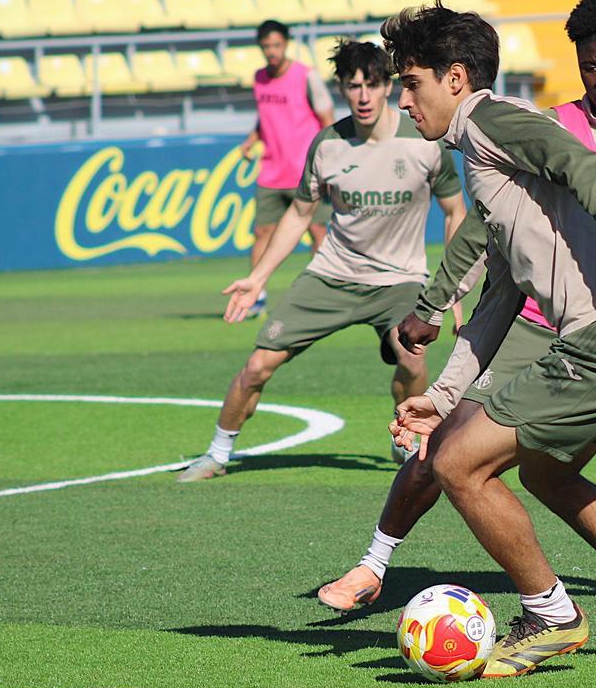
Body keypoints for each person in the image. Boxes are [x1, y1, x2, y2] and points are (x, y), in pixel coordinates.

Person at [319, 0, 596, 616]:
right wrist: (439, 395)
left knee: (459, 463)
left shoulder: (497, 121)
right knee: (541, 473)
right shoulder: (489, 148)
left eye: (410, 84)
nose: (403, 100)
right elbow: (500, 293)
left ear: (457, 78)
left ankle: (550, 614)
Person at [179, 40, 467, 481]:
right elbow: (299, 213)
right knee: (257, 366)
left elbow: (455, 214)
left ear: (387, 87)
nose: (364, 96)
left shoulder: (424, 142)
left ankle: (402, 434)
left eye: (372, 85)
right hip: (331, 276)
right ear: (341, 89)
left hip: (399, 281)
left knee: (412, 362)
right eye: (354, 87)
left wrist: (453, 295)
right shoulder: (328, 144)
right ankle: (217, 455)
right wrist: (257, 278)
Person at [239, 19, 336, 318]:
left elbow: (327, 119)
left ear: (286, 44)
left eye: (276, 45)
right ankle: (256, 295)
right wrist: (252, 139)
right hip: (271, 171)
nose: (271, 51)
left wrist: (330, 160)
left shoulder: (305, 76)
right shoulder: (259, 78)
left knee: (317, 231)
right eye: (266, 45)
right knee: (262, 232)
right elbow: (266, 117)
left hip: (304, 171)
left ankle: (323, 296)